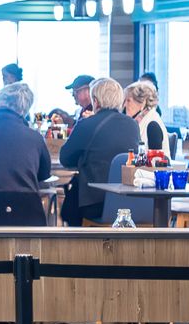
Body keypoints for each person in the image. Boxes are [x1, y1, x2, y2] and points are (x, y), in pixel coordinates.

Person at [58, 77, 140, 226]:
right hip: (128, 201)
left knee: (67, 208)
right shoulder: (133, 125)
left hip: (95, 203)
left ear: (95, 101)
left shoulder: (86, 124)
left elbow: (65, 158)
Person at [124, 80, 166, 153]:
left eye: (128, 101)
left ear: (142, 102)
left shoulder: (152, 122)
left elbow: (154, 160)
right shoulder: (141, 120)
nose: (124, 105)